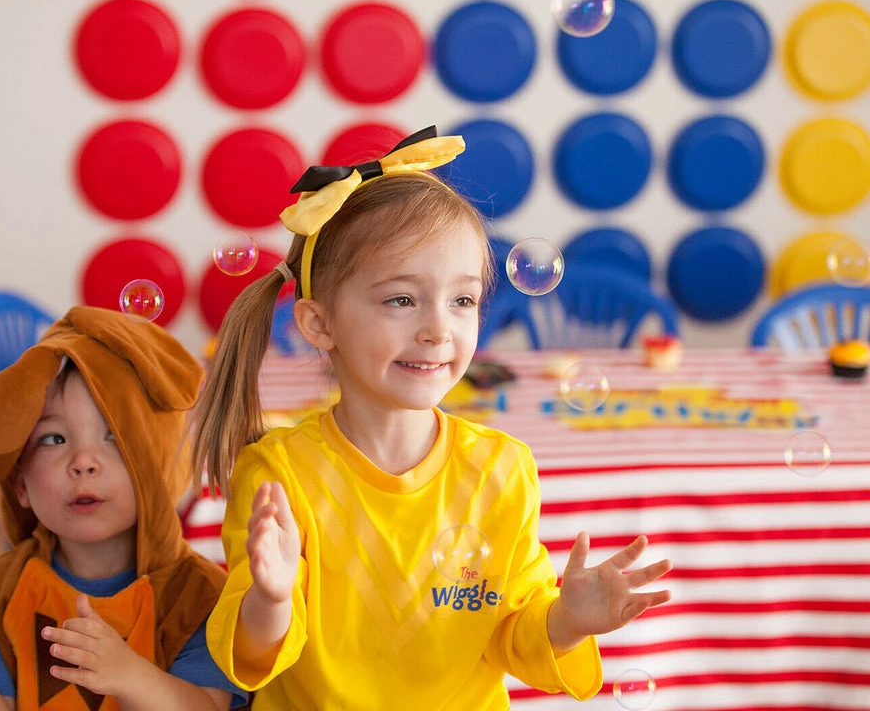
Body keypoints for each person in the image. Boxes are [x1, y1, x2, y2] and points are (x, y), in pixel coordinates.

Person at [188, 126, 673, 710]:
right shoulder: (279, 474)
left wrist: (567, 621)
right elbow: (251, 658)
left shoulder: (501, 468)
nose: (438, 329)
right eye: (401, 299)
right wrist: (269, 599)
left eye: (462, 300)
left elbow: (513, 633)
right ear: (319, 323)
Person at [0, 306, 248, 711]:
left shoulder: (197, 596)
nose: (83, 461)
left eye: (113, 436)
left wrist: (130, 675)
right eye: (54, 439)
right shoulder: (4, 588)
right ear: (20, 484)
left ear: (160, 468)